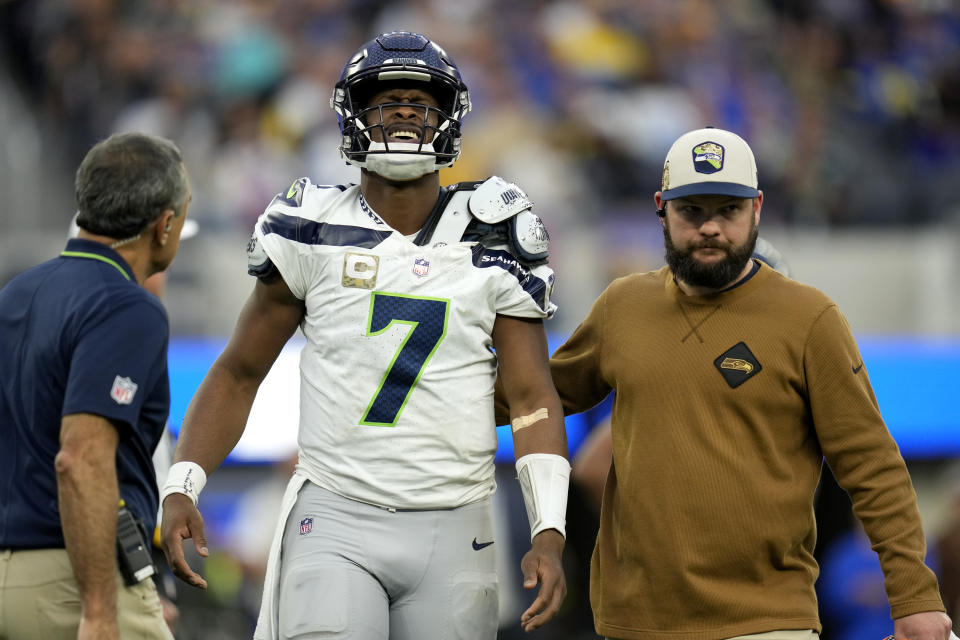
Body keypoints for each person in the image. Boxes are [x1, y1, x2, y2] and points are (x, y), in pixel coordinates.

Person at [159, 31, 570, 639]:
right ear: (352, 114)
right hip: (335, 513)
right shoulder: (312, 227)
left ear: (449, 118)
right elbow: (239, 371)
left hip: (458, 520)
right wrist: (183, 483)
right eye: (388, 97)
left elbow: (533, 397)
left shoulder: (494, 230)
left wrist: (549, 530)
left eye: (421, 99)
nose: (404, 109)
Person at [524, 126, 952, 640]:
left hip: (766, 621)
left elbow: (873, 467)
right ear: (661, 207)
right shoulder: (622, 307)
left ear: (757, 208)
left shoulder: (808, 318)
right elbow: (531, 395)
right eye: (692, 211)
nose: (710, 228)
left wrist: (915, 600)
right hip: (634, 623)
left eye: (727, 210)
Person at [0, 131, 192, 640]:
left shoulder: (17, 292)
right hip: (73, 578)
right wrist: (101, 610)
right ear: (165, 224)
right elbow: (80, 458)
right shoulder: (128, 306)